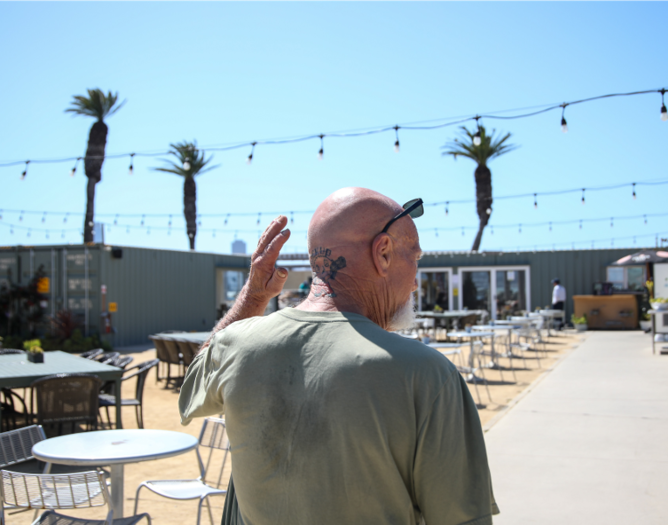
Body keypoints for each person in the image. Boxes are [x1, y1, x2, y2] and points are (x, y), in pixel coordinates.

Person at [179, 187, 499, 525]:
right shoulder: (428, 375)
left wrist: (254, 293)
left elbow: (191, 391)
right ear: (384, 253)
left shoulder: (237, 347)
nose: (416, 283)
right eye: (415, 258)